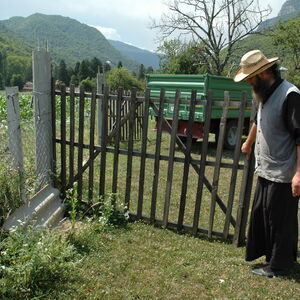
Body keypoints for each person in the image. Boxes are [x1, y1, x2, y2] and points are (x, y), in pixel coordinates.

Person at [234, 49, 300, 278]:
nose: (248, 82)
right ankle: (272, 257)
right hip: (266, 168)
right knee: (263, 213)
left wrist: (298, 175)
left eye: (249, 77)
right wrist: (249, 142)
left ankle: (279, 266)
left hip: (284, 171)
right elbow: (258, 119)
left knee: (280, 220)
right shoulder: (264, 93)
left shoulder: (290, 94)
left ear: (262, 74)